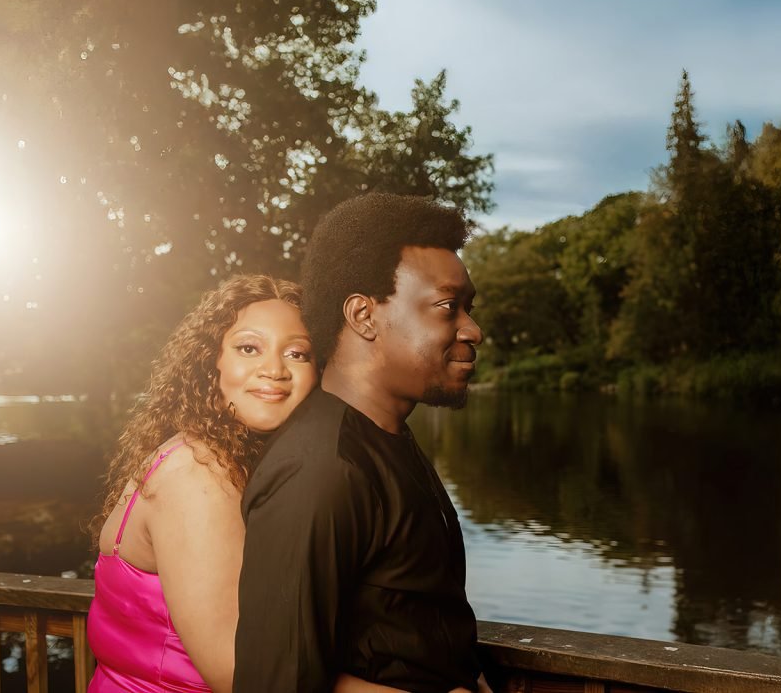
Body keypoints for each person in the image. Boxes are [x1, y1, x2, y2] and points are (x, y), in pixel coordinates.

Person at [87, 275, 399, 693]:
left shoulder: (240, 460)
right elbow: (241, 673)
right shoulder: (198, 473)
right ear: (210, 361)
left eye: (297, 353)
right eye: (248, 348)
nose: (273, 370)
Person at [234, 193, 491, 693]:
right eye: (447, 308)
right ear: (363, 315)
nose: (473, 330)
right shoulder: (321, 471)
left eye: (469, 308)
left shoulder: (389, 438)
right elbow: (276, 682)